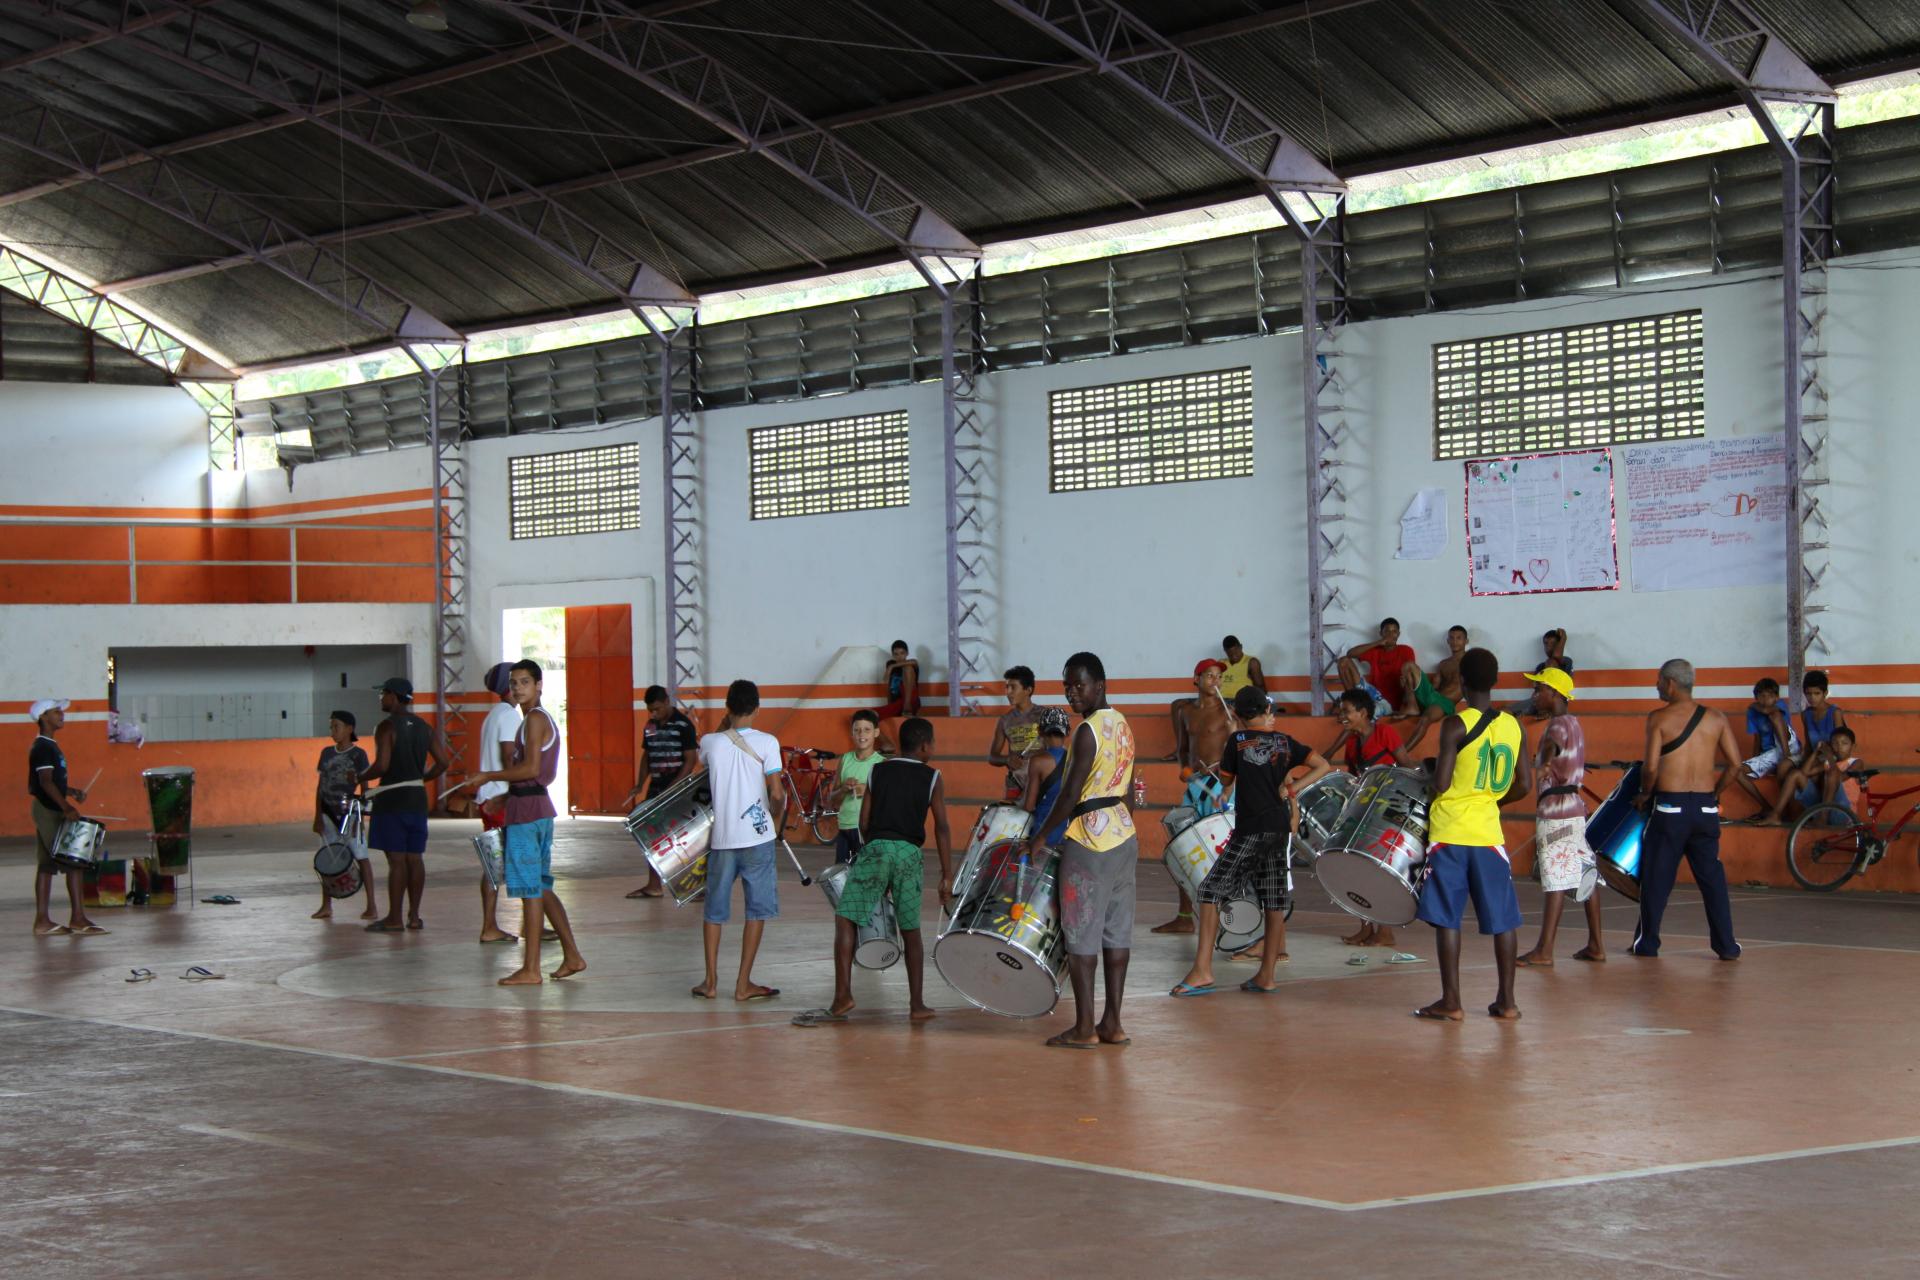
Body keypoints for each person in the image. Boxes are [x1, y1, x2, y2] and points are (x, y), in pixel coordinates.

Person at [793, 717, 953, 1027]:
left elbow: (864, 820)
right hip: (909, 854)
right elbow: (943, 828)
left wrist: (871, 851)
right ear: (924, 746)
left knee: (846, 917)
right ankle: (917, 1004)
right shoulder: (933, 777)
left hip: (877, 848)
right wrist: (946, 873)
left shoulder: (878, 770)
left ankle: (843, 996)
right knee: (911, 930)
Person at [1172, 687, 1331, 998]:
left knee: (1210, 891)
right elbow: (1322, 766)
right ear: (1265, 709)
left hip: (1251, 828)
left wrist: (1231, 749)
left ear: (1237, 714)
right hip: (1279, 829)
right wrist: (1291, 788)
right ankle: (1266, 975)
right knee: (1273, 899)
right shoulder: (1284, 742)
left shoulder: (1237, 741)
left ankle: (1203, 971)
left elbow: (1227, 781)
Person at [1024, 652, 1136, 1050]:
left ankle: (1085, 1026)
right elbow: (1129, 785)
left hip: (1090, 838)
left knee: (1081, 930)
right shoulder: (1122, 724)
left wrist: (1040, 838)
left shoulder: (1087, 730)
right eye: (1066, 685)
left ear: (1100, 685)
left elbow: (1070, 793)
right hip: (1123, 835)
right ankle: (1113, 1024)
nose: (1072, 692)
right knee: (1115, 930)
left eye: (1079, 685)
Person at [1413, 648, 1532, 1022]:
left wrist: (1430, 773)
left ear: (1461, 681)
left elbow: (1443, 782)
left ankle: (1452, 1001)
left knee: (1448, 917)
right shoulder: (1514, 727)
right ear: (1495, 681)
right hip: (1488, 834)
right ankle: (1507, 1001)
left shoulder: (1456, 724)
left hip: (1451, 832)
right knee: (1504, 919)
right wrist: (1491, 801)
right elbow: (1525, 785)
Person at [467, 660, 587, 986]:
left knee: (531, 891)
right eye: (514, 683)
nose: (518, 688)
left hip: (529, 814)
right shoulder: (532, 719)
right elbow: (531, 776)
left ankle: (531, 968)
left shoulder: (534, 719)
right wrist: (505, 797)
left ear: (539, 685)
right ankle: (573, 955)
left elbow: (531, 769)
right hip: (531, 806)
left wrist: (489, 776)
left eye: (524, 682)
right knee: (543, 888)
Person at [1630, 659, 1743, 961]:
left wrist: (1644, 794)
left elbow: (1651, 767)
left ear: (1670, 683)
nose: (1656, 686)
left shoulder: (1658, 719)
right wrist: (1714, 794)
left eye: (1658, 681)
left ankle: (1648, 943)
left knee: (1657, 878)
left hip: (1669, 807)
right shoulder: (1716, 718)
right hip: (1705, 808)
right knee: (1712, 881)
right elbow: (1735, 765)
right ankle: (1726, 946)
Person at [693, 679, 784, 1002]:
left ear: (727, 708)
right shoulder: (768, 743)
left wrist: (725, 723)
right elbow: (776, 792)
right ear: (758, 709)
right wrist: (775, 819)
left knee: (714, 911)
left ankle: (710, 981)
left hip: (722, 840)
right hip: (757, 838)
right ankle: (743, 984)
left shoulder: (710, 742)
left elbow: (698, 769)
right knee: (756, 910)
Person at [1514, 668, 1604, 966]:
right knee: (1582, 872)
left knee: (1555, 878)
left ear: (1554, 693)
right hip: (1574, 810)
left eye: (1539, 689)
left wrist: (1523, 747)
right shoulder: (1573, 724)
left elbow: (1545, 764)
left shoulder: (1554, 729)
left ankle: (1544, 950)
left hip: (1556, 812)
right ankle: (1596, 944)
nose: (1534, 695)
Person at [1322, 689, 1416, 948]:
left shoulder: (1385, 733)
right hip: (1363, 811)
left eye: (1347, 711)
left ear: (1363, 713)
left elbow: (1406, 765)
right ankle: (1365, 927)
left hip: (1386, 812)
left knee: (1378, 871)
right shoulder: (1352, 743)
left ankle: (1384, 932)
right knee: (1356, 868)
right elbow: (1355, 779)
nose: (1342, 715)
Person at [360, 676, 450, 933]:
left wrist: (359, 777)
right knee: (415, 858)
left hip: (392, 801)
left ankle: (394, 918)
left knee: (396, 861)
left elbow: (382, 765)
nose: (381, 699)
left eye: (383, 694)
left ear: (394, 696)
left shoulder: (387, 727)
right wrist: (422, 778)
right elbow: (443, 763)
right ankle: (414, 916)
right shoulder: (424, 727)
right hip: (416, 799)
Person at [1156, 658, 1239, 934]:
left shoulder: (1228, 713)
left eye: (1219, 677)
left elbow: (1237, 752)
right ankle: (1183, 916)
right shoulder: (1185, 711)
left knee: (1222, 848)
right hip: (1194, 785)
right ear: (1197, 679)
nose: (1216, 681)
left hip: (1219, 785)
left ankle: (1233, 914)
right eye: (1210, 676)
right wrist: (1185, 770)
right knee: (1182, 846)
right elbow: (1182, 748)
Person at [27, 698, 105, 938]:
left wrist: (70, 791)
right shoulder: (43, 747)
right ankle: (78, 918)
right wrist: (66, 806)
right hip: (50, 810)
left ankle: (43, 922)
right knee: (73, 861)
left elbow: (53, 782)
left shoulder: (50, 745)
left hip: (49, 806)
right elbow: (45, 782)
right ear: (43, 718)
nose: (62, 715)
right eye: (56, 712)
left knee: (47, 865)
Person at [622, 685, 700, 898]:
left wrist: (674, 787)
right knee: (650, 834)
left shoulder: (684, 725)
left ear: (667, 701)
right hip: (656, 789)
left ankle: (698, 886)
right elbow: (647, 756)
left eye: (657, 709)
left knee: (685, 836)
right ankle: (654, 885)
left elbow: (690, 760)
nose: (654, 713)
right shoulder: (650, 726)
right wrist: (640, 784)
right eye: (651, 710)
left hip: (678, 790)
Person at [471, 663, 521, 939]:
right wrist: (510, 793)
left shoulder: (494, 715)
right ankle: (530, 921)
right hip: (502, 800)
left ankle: (490, 925)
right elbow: (508, 757)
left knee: (494, 864)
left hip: (489, 797)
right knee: (523, 861)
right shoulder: (511, 717)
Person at [311, 710, 376, 922]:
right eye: (331, 727)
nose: (333, 731)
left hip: (350, 812)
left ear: (349, 729)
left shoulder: (359, 755)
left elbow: (365, 787)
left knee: (360, 855)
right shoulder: (326, 753)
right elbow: (320, 786)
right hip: (327, 813)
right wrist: (318, 816)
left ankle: (371, 905)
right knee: (327, 857)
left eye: (336, 727)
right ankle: (326, 905)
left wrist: (363, 816)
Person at [1767, 724, 1864, 824]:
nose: (1839, 747)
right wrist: (1816, 752)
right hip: (1822, 808)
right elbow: (1804, 772)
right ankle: (1775, 815)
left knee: (1831, 775)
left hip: (1843, 813)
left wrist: (1829, 757)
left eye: (1844, 743)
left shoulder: (1856, 762)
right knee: (1795, 774)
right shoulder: (1828, 763)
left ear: (1853, 746)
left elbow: (1838, 778)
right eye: (1835, 743)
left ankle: (1822, 818)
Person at [1732, 677, 1800, 820]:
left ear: (1776, 697)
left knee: (1774, 716)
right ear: (1756, 697)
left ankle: (1787, 755)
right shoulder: (1752, 712)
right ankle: (1766, 807)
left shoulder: (1780, 705)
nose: (1766, 699)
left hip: (1789, 747)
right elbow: (1757, 737)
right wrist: (1754, 758)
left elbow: (1768, 711)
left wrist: (1755, 705)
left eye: (1770, 696)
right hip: (1770, 754)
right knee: (1737, 771)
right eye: (1762, 696)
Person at [824, 709, 882, 864]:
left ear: (876, 732)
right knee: (842, 880)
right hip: (844, 829)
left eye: (867, 730)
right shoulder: (845, 759)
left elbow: (886, 801)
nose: (861, 734)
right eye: (857, 730)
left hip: (867, 831)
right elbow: (832, 801)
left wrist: (866, 790)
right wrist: (843, 789)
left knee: (866, 880)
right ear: (851, 733)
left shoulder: (881, 763)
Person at [1402, 624, 1468, 750]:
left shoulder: (1470, 661)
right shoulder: (1443, 664)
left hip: (1445, 703)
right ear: (1448, 641)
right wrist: (1408, 685)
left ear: (1466, 641)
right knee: (1409, 666)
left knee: (1425, 719)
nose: (1455, 641)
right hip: (1433, 695)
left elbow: (1476, 685)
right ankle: (1412, 707)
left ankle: (1402, 755)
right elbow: (1434, 686)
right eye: (1452, 638)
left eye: (1459, 638)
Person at [988, 666, 1049, 802]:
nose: (1008, 692)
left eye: (1013, 687)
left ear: (1028, 690)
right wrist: (1007, 760)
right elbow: (992, 757)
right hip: (1015, 782)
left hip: (1041, 780)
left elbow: (1056, 750)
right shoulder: (1005, 720)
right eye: (1007, 687)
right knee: (1012, 821)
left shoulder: (1044, 715)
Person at [1336, 618, 1416, 717]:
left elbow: (1410, 677)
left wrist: (1404, 706)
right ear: (1381, 633)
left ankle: (1360, 711)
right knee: (1343, 661)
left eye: (1394, 631)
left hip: (1390, 704)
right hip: (1372, 695)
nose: (1390, 634)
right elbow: (1350, 654)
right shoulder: (1376, 650)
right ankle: (1351, 702)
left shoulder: (1406, 650)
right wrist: (1378, 642)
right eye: (1387, 631)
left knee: (1370, 712)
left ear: (1398, 634)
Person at [1019, 709, 1073, 848]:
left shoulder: (1038, 761)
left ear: (1039, 731)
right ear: (1067, 732)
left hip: (1043, 831)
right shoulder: (1076, 759)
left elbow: (1029, 806)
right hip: (1070, 832)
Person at [1798, 670, 1847, 762]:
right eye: (1808, 694)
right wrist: (1803, 762)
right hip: (1815, 757)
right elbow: (1808, 745)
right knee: (1786, 766)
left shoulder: (1835, 713)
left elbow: (1839, 745)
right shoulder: (1805, 714)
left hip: (1833, 758)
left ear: (1825, 693)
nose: (1812, 698)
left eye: (1817, 693)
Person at [1218, 636, 1267, 701]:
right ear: (1225, 651)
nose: (1234, 657)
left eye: (1236, 653)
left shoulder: (1251, 662)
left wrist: (1261, 705)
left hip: (1242, 702)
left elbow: (1260, 688)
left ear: (1241, 647)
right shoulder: (1221, 663)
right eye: (1230, 655)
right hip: (1222, 702)